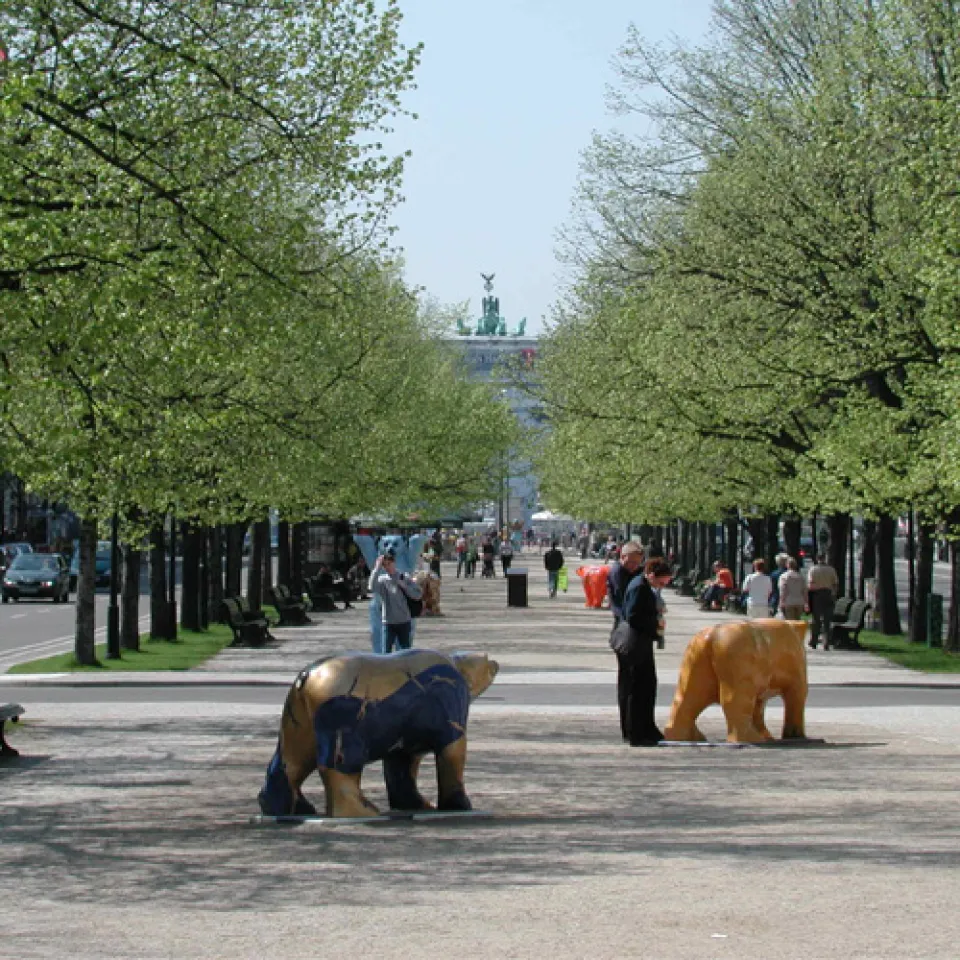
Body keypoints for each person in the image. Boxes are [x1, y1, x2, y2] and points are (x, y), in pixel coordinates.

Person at [609, 558, 673, 746]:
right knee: (637, 687)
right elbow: (633, 615)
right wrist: (654, 623)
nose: (662, 586)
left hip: (641, 642)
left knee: (647, 685)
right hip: (635, 643)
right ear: (652, 575)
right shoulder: (639, 587)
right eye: (661, 582)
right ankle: (636, 731)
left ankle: (646, 727)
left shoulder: (643, 585)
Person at [367, 550, 422, 653]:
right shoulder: (382, 580)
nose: (387, 567)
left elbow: (418, 595)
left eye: (389, 563)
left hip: (404, 621)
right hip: (388, 622)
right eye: (385, 565)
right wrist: (377, 568)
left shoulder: (404, 577)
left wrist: (404, 586)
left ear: (394, 562)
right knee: (386, 653)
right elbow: (371, 586)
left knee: (405, 652)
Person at [607, 541, 646, 626]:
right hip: (623, 615)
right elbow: (620, 594)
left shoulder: (637, 570)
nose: (635, 566)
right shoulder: (617, 572)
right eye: (632, 562)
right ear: (622, 556)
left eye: (638, 563)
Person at [806, 553, 839, 649]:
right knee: (827, 619)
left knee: (816, 619)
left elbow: (810, 583)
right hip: (828, 594)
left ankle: (814, 640)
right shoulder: (831, 569)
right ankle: (826, 642)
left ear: (817, 559)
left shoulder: (813, 569)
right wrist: (833, 594)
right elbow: (835, 583)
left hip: (817, 595)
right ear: (825, 558)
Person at [778, 557, 807, 622]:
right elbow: (804, 591)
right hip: (799, 602)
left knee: (790, 623)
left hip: (788, 602)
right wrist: (806, 603)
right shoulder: (801, 577)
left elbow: (783, 590)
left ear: (787, 565)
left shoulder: (783, 576)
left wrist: (781, 602)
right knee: (798, 622)